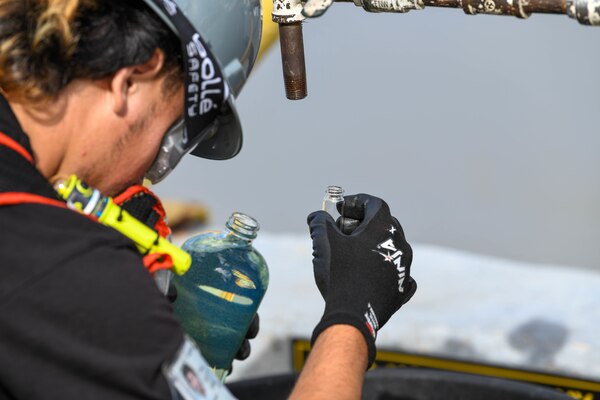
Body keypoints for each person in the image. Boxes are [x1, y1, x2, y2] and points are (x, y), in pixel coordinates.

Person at [0, 1, 416, 399]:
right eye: (172, 140)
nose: (152, 170)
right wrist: (352, 314)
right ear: (131, 80)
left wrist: (139, 328)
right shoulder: (59, 266)